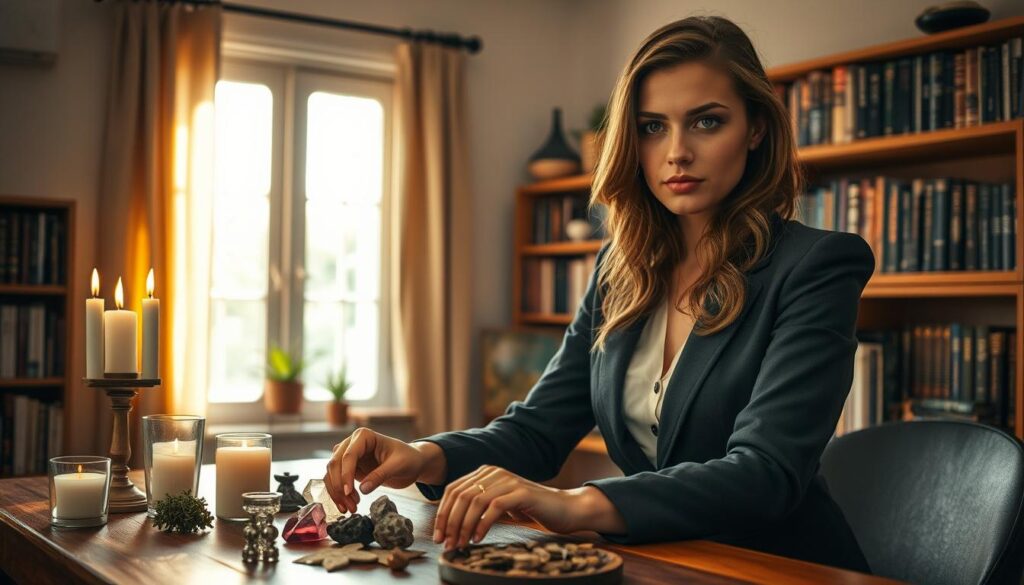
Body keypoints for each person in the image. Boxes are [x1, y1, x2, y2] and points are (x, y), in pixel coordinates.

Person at [323, 14, 874, 574]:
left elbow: (766, 472)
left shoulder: (816, 266)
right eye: (652, 127)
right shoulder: (621, 268)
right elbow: (539, 429)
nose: (676, 152)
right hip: (662, 563)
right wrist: (421, 455)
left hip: (778, 567)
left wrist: (574, 503)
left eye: (706, 122)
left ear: (756, 128)